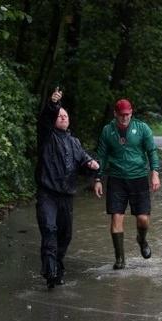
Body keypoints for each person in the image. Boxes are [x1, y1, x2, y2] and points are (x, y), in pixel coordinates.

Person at [36, 87, 99, 289]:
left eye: (65, 115)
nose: (63, 117)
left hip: (67, 196)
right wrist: (53, 104)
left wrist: (92, 167)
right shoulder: (46, 136)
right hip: (47, 193)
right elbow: (46, 118)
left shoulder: (74, 142)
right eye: (59, 115)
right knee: (49, 229)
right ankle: (50, 271)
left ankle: (58, 268)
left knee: (65, 235)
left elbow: (83, 162)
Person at [94, 99, 161, 270]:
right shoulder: (108, 131)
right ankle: (120, 259)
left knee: (143, 219)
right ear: (115, 114)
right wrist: (98, 179)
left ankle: (142, 239)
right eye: (121, 115)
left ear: (131, 113)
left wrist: (155, 173)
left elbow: (152, 150)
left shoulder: (142, 128)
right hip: (116, 179)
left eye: (127, 114)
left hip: (138, 177)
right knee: (116, 217)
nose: (124, 118)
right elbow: (101, 155)